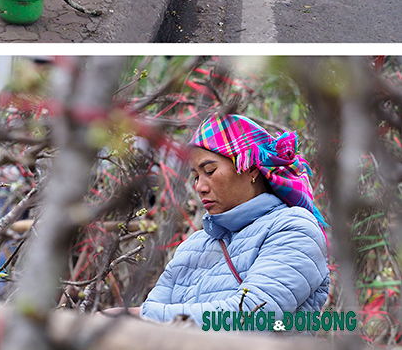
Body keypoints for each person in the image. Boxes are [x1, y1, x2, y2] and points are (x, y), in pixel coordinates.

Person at [138, 115, 329, 323]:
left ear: (251, 168)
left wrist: (135, 317)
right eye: (195, 177)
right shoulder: (192, 247)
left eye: (209, 171)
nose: (200, 187)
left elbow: (251, 315)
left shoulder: (295, 229)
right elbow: (153, 312)